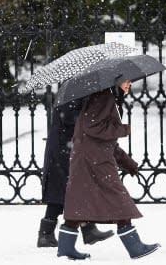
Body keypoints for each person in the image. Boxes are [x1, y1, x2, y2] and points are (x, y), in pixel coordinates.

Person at [57, 80, 160, 260]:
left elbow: (106, 141)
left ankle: (66, 248)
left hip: (91, 158)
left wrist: (127, 162)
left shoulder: (107, 96)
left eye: (130, 81)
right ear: (115, 81)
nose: (129, 84)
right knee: (119, 200)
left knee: (80, 203)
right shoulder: (104, 96)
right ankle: (135, 247)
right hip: (94, 161)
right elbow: (93, 127)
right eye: (125, 81)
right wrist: (123, 129)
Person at [37, 97, 114, 247]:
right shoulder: (71, 96)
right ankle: (46, 234)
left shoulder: (77, 93)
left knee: (75, 189)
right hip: (62, 149)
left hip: (68, 147)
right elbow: (70, 118)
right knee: (62, 190)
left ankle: (87, 229)